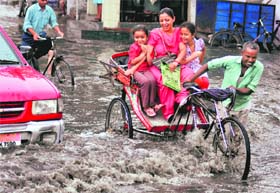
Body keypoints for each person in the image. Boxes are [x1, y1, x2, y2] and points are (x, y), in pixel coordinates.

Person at [187, 41, 264, 126]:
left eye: (254, 58)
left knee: (238, 136)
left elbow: (249, 90)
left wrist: (235, 90)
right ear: (242, 53)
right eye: (248, 56)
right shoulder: (230, 61)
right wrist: (191, 79)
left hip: (242, 105)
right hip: (225, 101)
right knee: (224, 135)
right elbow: (208, 66)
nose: (250, 60)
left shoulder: (259, 67)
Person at [147, 7, 187, 122]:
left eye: (167, 20)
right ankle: (168, 112)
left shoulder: (179, 32)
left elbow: (183, 50)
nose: (164, 23)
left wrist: (176, 62)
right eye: (162, 21)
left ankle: (182, 99)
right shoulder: (155, 33)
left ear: (173, 19)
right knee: (164, 80)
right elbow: (149, 51)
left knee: (188, 75)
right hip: (157, 64)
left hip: (174, 61)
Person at [125, 25, 163, 117]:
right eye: (137, 37)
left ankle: (153, 104)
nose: (139, 40)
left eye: (142, 37)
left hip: (145, 68)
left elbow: (150, 61)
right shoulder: (134, 47)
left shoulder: (148, 46)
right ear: (134, 38)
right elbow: (133, 61)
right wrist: (143, 54)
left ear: (147, 37)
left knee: (153, 81)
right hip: (135, 70)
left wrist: (149, 51)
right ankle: (146, 106)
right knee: (145, 82)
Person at [21, 0, 64, 74]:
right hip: (29, 36)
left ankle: (47, 69)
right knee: (24, 57)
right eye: (42, 0)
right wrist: (34, 33)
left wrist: (59, 31)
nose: (44, 2)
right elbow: (27, 24)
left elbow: (53, 22)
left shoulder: (49, 10)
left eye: (46, 0)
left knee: (50, 45)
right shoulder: (31, 9)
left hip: (41, 36)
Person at [180, 21, 209, 89]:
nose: (183, 37)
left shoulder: (199, 42)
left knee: (206, 83)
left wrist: (200, 60)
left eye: (186, 34)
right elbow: (181, 61)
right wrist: (193, 56)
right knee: (200, 83)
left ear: (193, 35)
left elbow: (203, 49)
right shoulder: (181, 45)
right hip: (186, 69)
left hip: (197, 67)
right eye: (181, 34)